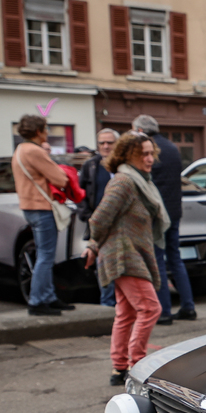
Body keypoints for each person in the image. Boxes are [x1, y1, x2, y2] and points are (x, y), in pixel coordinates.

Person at [83, 132, 170, 386]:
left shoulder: (141, 181)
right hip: (123, 256)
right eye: (143, 154)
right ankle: (136, 364)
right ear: (128, 156)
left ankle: (119, 367)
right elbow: (99, 219)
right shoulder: (124, 182)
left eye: (151, 153)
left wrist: (95, 246)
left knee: (126, 313)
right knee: (150, 308)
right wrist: (93, 245)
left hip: (130, 253)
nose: (150, 158)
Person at [132, 115, 195, 324]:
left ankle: (164, 311)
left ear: (140, 131)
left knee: (157, 260)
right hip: (174, 211)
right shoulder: (172, 148)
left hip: (156, 213)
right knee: (175, 258)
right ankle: (188, 306)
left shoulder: (146, 149)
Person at [12, 114, 74, 316]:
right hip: (42, 207)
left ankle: (48, 297)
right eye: (46, 129)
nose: (47, 132)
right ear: (38, 131)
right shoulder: (35, 151)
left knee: (43, 254)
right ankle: (38, 300)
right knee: (46, 256)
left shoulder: (20, 149)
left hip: (29, 207)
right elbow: (60, 179)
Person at [78, 128, 120, 306]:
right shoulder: (91, 165)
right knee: (104, 266)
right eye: (102, 143)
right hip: (100, 225)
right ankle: (108, 306)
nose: (105, 146)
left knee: (122, 266)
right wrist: (88, 216)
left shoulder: (123, 165)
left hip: (121, 224)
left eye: (110, 143)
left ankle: (123, 306)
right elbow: (80, 194)